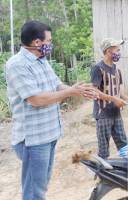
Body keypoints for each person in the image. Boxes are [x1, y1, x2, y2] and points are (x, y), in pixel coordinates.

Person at [5, 20, 96, 200]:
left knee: (41, 185)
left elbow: (57, 85)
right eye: (49, 40)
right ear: (37, 42)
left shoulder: (42, 60)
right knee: (34, 190)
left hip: (49, 134)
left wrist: (77, 90)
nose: (50, 44)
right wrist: (71, 91)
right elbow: (36, 99)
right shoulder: (17, 65)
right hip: (33, 139)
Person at [91, 38, 128, 159]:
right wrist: (114, 99)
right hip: (103, 115)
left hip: (116, 114)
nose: (119, 53)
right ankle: (102, 175)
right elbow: (94, 91)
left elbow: (120, 91)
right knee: (103, 150)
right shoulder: (97, 68)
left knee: (124, 145)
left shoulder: (117, 70)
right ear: (108, 51)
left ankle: (126, 173)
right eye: (117, 50)